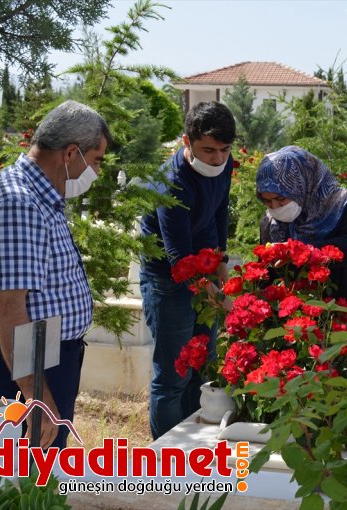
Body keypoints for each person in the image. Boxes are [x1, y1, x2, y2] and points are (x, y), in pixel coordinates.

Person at [0, 100, 112, 449]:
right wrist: (35, 394)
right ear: (71, 153)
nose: (97, 172)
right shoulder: (18, 203)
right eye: (96, 160)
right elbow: (9, 308)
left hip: (38, 361)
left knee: (40, 472)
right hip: (20, 369)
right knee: (23, 474)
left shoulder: (40, 198)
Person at [140, 101, 236, 439]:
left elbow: (221, 209)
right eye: (208, 150)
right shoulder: (171, 182)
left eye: (224, 150)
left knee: (202, 367)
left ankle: (195, 444)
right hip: (167, 278)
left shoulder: (223, 165)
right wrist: (220, 300)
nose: (217, 159)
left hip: (204, 267)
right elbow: (179, 260)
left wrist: (221, 263)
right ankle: (167, 454)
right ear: (187, 142)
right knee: (173, 375)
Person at [256, 145, 347, 335]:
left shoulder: (338, 203)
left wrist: (302, 251)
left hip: (344, 305)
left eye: (280, 198)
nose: (275, 207)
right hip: (297, 320)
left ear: (299, 185)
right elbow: (266, 273)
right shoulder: (270, 222)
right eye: (267, 201)